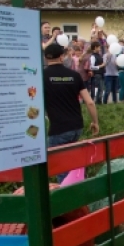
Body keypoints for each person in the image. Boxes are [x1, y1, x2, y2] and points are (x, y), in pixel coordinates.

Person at [42, 44, 99, 182]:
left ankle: (69, 199)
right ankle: (79, 194)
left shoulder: (41, 76)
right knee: (74, 166)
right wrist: (95, 122)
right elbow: (90, 102)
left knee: (61, 170)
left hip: (58, 129)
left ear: (45, 58)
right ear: (62, 56)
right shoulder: (74, 75)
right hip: (76, 127)